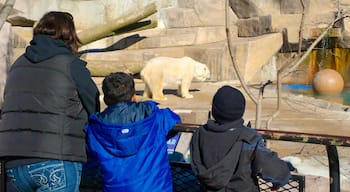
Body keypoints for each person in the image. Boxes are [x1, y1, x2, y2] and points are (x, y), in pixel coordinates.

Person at [0, 11, 100, 192]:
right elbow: (94, 106)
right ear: (69, 35)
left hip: (14, 163)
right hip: (57, 158)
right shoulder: (71, 65)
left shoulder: (17, 65)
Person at [83, 72, 181, 192]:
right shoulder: (155, 117)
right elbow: (174, 119)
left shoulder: (95, 127)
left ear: (105, 99)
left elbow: (91, 159)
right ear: (133, 96)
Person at [190, 85, 295, 192]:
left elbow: (196, 165)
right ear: (241, 110)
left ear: (214, 109)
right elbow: (272, 170)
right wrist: (282, 178)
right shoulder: (250, 138)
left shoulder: (199, 134)